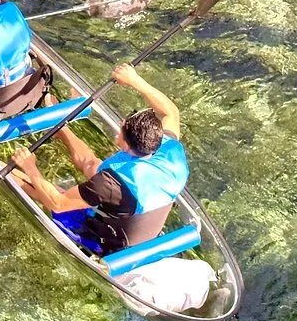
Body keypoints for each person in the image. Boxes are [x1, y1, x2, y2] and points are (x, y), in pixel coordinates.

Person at [11, 63, 189, 255]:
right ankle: (60, 127)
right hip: (141, 212)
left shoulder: (111, 185)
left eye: (122, 128)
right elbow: (170, 112)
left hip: (111, 240)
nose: (119, 128)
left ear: (126, 144)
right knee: (93, 165)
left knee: (55, 194)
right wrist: (134, 80)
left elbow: (58, 203)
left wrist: (30, 167)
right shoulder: (168, 148)